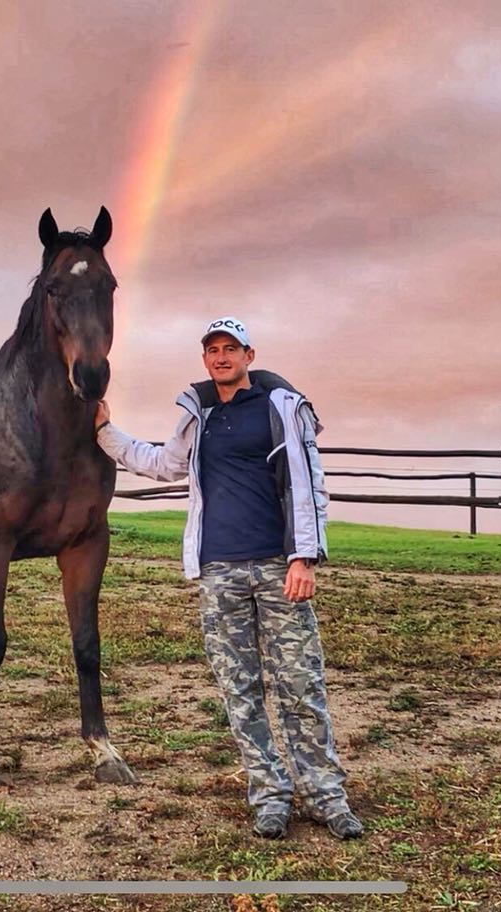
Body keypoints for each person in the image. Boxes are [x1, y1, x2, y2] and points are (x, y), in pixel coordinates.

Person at [93, 316, 363, 840]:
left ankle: (326, 797)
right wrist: (105, 431)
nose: (221, 357)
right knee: (240, 690)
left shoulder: (280, 409)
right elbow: (163, 463)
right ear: (205, 359)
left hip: (277, 567)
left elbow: (310, 484)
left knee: (300, 686)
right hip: (220, 571)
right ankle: (269, 796)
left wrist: (303, 557)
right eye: (213, 349)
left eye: (231, 349)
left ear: (248, 355)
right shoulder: (201, 417)